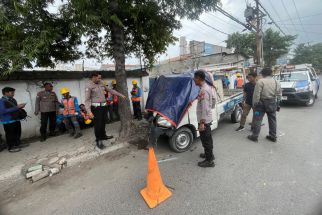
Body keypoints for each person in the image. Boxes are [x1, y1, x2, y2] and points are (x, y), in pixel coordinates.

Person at [85, 72, 126, 149]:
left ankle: (104, 136)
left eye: (100, 78)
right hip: (96, 108)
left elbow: (110, 90)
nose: (100, 79)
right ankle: (98, 140)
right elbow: (87, 100)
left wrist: (120, 95)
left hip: (104, 107)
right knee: (98, 125)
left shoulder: (101, 83)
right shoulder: (89, 86)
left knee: (103, 122)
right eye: (98, 78)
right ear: (93, 77)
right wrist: (89, 112)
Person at [248, 68, 282, 142]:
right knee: (272, 120)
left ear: (263, 74)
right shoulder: (276, 82)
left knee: (258, 120)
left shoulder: (260, 81)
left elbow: (256, 94)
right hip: (272, 102)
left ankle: (254, 136)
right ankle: (273, 136)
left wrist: (254, 104)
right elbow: (279, 95)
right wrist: (278, 104)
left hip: (261, 104)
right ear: (271, 74)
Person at [193, 70, 215, 168]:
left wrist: (202, 123)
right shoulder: (207, 87)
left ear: (198, 78)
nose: (194, 79)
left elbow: (205, 108)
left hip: (204, 120)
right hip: (207, 118)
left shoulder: (204, 90)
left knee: (206, 140)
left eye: (195, 78)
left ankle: (209, 161)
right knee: (208, 139)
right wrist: (211, 107)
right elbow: (213, 99)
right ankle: (209, 155)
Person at [0, 87, 27, 152]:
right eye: (12, 92)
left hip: (15, 119)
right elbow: (3, 111)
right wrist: (17, 107)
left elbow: (14, 108)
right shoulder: (2, 101)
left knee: (17, 132)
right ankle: (11, 147)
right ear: (6, 93)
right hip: (8, 120)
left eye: (13, 92)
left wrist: (20, 106)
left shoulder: (12, 99)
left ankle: (17, 144)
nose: (13, 94)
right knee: (10, 134)